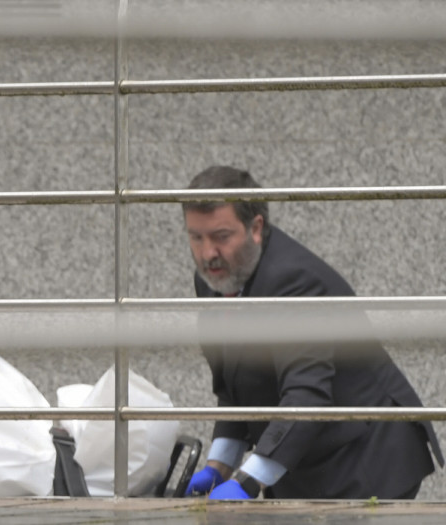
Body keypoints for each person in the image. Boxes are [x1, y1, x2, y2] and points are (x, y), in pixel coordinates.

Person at [180, 166, 442, 499]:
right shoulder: (213, 279)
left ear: (256, 227)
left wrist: (247, 482)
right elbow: (236, 383)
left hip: (365, 456)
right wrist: (219, 467)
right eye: (196, 237)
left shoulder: (294, 283)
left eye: (221, 236)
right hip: (304, 455)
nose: (207, 254)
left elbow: (307, 396)